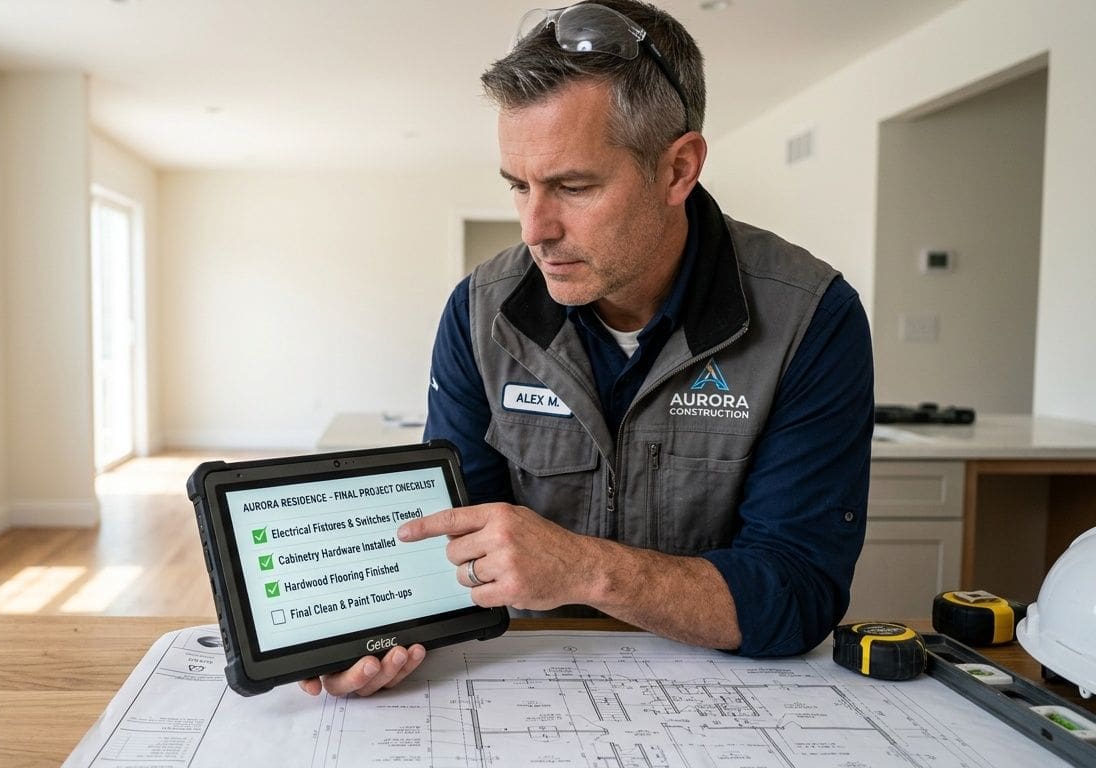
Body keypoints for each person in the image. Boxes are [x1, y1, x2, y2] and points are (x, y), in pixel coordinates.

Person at [300, 0, 873, 698]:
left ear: (677, 169)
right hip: (528, 680)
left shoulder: (810, 316)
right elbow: (455, 540)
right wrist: (378, 632)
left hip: (728, 695)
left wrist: (583, 569)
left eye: (574, 186)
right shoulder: (480, 311)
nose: (535, 228)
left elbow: (797, 592)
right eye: (519, 186)